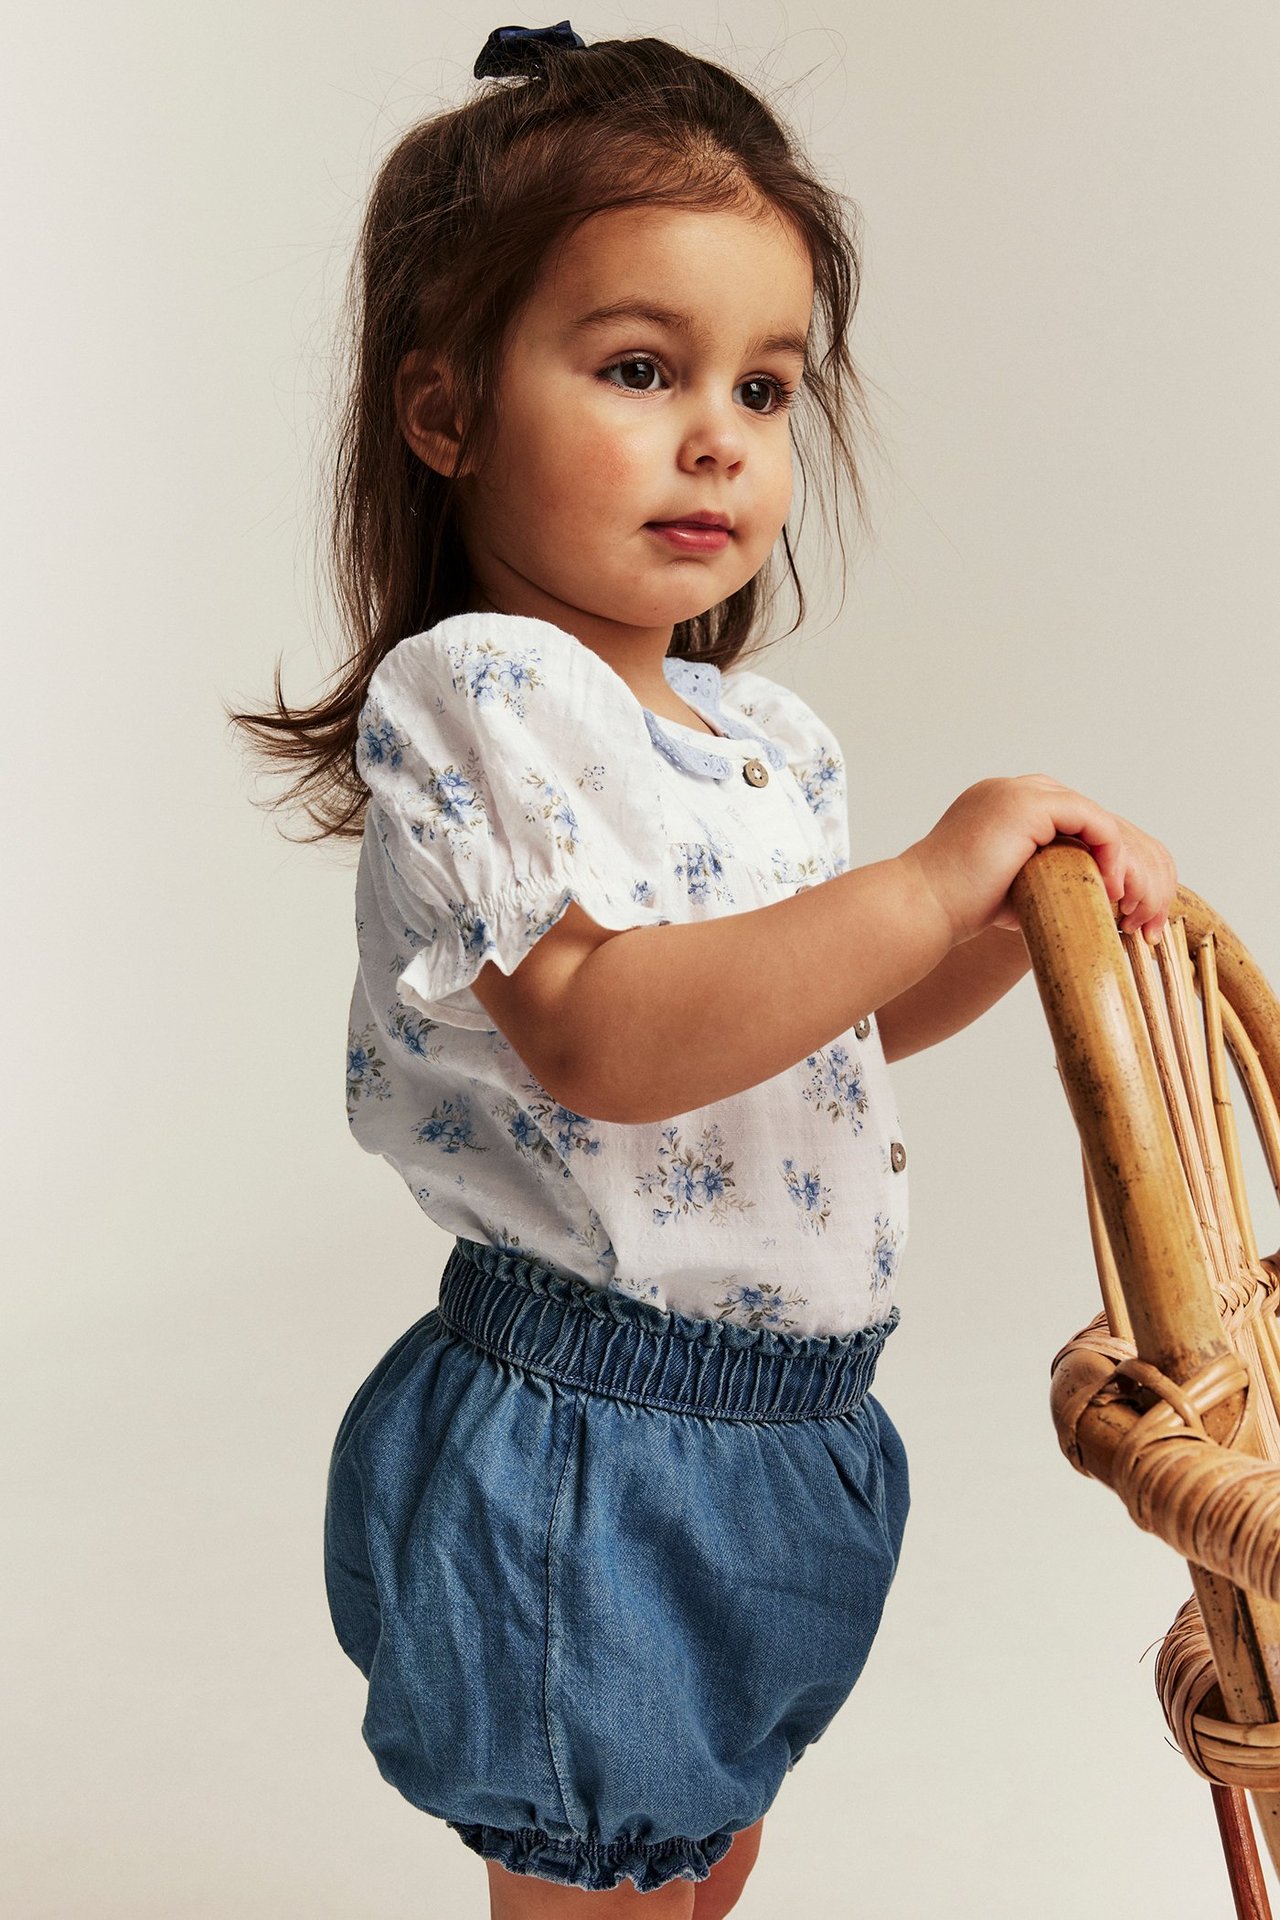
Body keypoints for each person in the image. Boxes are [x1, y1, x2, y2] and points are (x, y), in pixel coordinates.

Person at [229, 25, 1177, 1917]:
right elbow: (607, 1037)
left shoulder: (761, 739)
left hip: (792, 1428)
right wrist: (927, 873)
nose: (721, 435)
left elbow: (805, 1028)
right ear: (445, 412)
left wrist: (990, 924)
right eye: (639, 367)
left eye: (763, 383)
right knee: (603, 1876)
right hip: (604, 1443)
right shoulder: (484, 696)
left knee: (708, 1845)